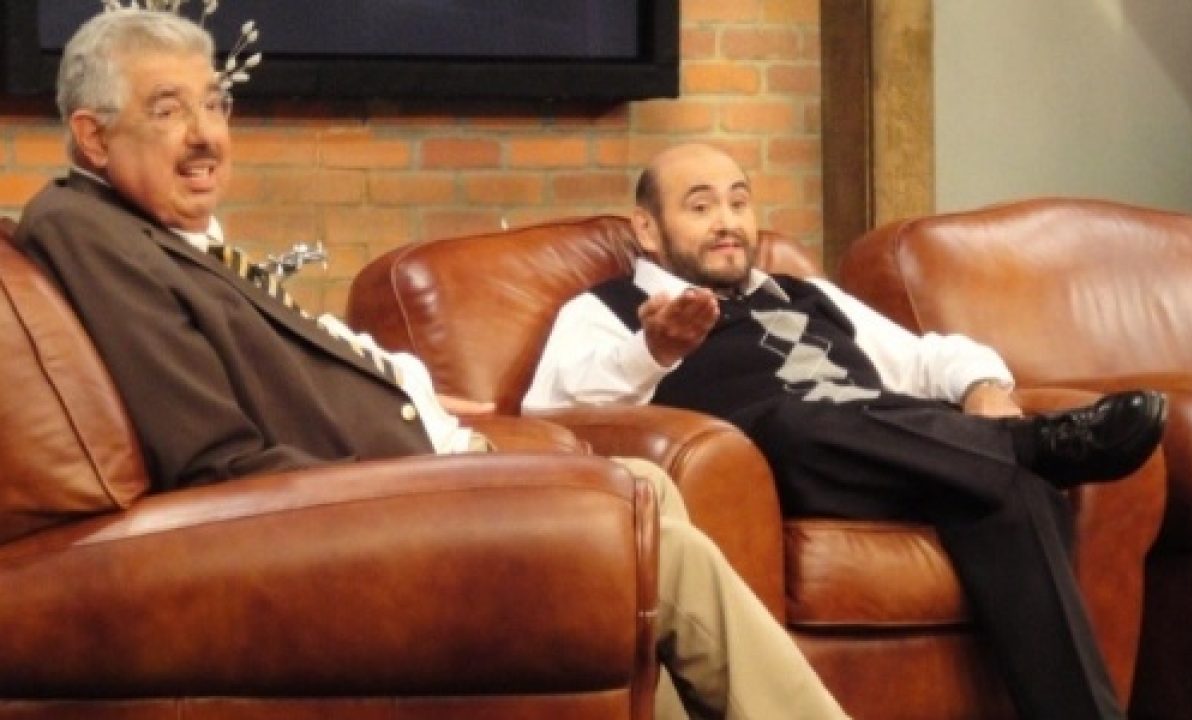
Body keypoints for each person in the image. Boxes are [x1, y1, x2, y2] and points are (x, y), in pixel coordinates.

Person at [11, 10, 849, 720]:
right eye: (168, 110)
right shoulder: (87, 233)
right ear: (93, 135)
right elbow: (215, 459)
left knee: (646, 491)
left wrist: (396, 385)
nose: (206, 137)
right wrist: (410, 484)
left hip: (405, 472)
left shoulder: (157, 234)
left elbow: (273, 369)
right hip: (367, 515)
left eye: (214, 104)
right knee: (654, 542)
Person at [522, 142, 1167, 720]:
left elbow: (928, 357)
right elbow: (551, 410)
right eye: (700, 206)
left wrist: (985, 388)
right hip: (793, 465)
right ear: (647, 228)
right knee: (794, 421)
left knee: (1016, 493)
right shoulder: (609, 309)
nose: (727, 221)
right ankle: (1027, 448)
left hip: (906, 456)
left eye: (739, 203)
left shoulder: (808, 294)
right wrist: (652, 350)